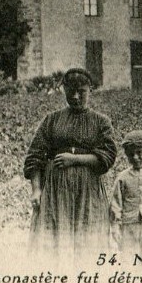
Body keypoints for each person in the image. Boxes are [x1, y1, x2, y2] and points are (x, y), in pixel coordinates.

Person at [23, 68, 118, 258]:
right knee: (56, 241)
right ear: (64, 90)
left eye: (81, 92)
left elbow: (107, 157)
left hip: (88, 190)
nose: (75, 97)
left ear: (90, 90)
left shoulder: (101, 122)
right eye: (70, 92)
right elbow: (35, 156)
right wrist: (36, 189)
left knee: (87, 240)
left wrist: (74, 159)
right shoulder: (52, 120)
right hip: (56, 191)